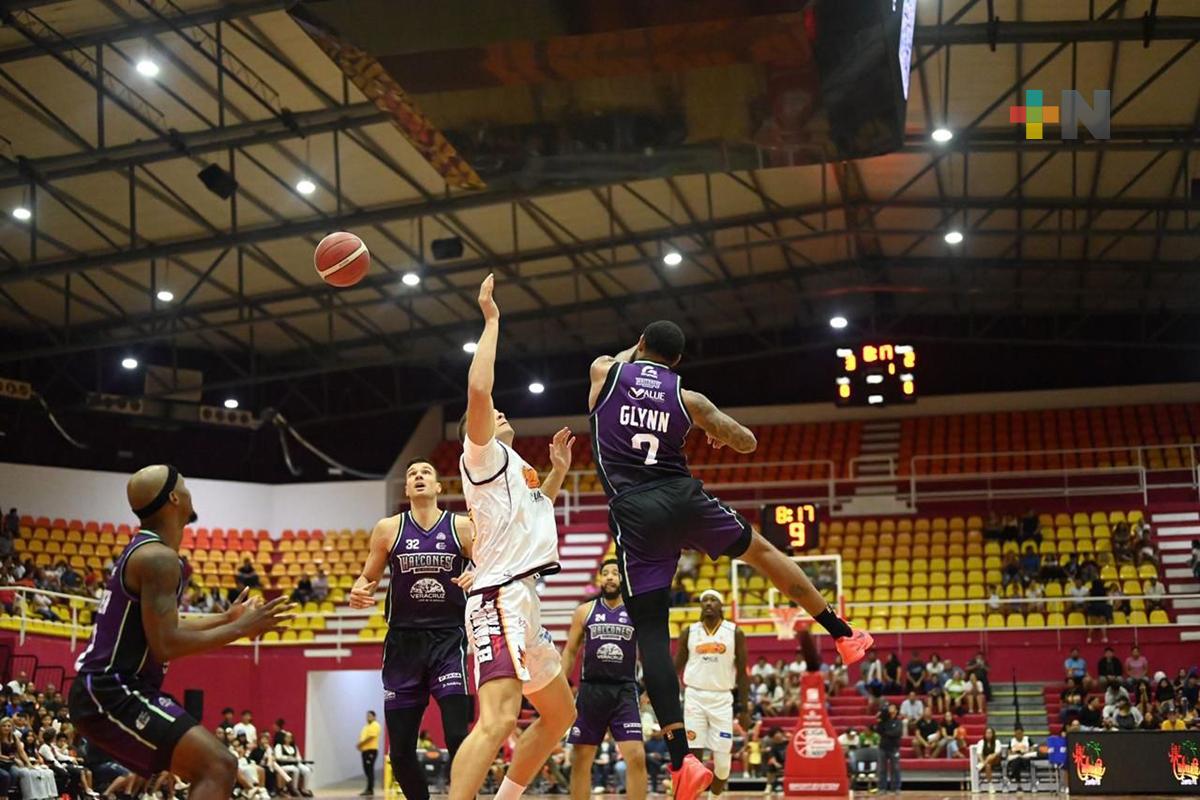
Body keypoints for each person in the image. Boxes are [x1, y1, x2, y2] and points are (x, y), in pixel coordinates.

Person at [587, 324, 870, 796]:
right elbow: (747, 442)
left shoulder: (605, 372)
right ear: (675, 363)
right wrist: (713, 430)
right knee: (764, 553)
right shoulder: (688, 398)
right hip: (682, 496)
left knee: (653, 635)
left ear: (638, 345)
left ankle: (682, 763)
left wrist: (631, 354)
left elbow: (618, 363)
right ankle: (842, 635)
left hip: (635, 511)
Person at [68, 464, 291, 798]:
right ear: (174, 497)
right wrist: (242, 629)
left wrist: (227, 618)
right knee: (219, 765)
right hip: (110, 689)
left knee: (209, 766)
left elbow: (166, 626)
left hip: (114, 688)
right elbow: (166, 644)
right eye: (185, 484)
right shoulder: (158, 558)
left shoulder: (148, 551)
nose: (189, 490)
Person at [449, 274, 577, 800]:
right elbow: (480, 389)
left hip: (523, 600)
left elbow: (533, 510)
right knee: (498, 719)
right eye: (489, 417)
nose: (500, 414)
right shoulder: (480, 456)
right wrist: (492, 319)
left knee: (559, 715)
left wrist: (558, 471)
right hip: (498, 598)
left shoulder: (515, 468)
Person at [349, 457, 475, 800]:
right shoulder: (388, 528)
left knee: (457, 737)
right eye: (412, 474)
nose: (418, 477)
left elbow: (490, 565)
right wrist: (359, 588)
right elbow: (368, 576)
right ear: (406, 488)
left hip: (448, 640)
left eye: (426, 473)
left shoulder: (462, 526)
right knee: (401, 751)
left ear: (438, 487)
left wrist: (476, 572)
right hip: (403, 644)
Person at [561, 560, 646, 800]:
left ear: (624, 579)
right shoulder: (584, 611)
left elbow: (650, 653)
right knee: (580, 757)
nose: (610, 578)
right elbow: (569, 652)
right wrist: (559, 685)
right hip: (591, 691)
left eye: (615, 574)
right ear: (600, 579)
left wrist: (651, 689)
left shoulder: (636, 611)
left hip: (625, 690)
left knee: (636, 756)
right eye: (605, 574)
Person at [675, 590, 748, 797]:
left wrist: (744, 708)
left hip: (723, 698)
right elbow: (675, 668)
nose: (708, 603)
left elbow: (742, 673)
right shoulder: (689, 632)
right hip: (694, 697)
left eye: (713, 600)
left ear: (721, 605)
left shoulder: (734, 632)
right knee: (694, 756)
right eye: (704, 600)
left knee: (723, 763)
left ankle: (715, 795)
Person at [1, 717, 56, 800]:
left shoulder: (14, 737)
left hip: (10, 763)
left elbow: (21, 752)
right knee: (6, 776)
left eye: (9, 726)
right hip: (2, 763)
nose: (7, 728)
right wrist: (14, 759)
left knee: (26, 772)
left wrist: (28, 764)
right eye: (4, 726)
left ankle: (32, 796)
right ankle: (4, 795)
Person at [273, 731, 311, 796]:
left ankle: (304, 789)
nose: (289, 738)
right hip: (284, 765)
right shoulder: (279, 746)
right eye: (287, 737)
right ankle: (294, 788)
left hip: (295, 763)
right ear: (283, 738)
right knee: (295, 770)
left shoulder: (294, 747)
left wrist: (296, 759)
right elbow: (278, 757)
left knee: (307, 770)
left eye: (290, 737)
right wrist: (288, 758)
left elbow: (299, 757)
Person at [875, 704, 903, 793]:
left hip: (894, 747)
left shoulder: (898, 722)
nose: (890, 709)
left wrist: (886, 733)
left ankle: (896, 788)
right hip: (883, 747)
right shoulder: (883, 721)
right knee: (882, 769)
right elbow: (878, 730)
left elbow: (896, 733)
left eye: (892, 707)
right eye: (889, 707)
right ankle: (882, 788)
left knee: (895, 768)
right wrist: (879, 720)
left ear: (896, 710)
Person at [356, 711, 381, 795]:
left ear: (374, 717)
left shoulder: (375, 725)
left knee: (369, 769)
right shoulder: (366, 727)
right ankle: (369, 788)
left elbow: (371, 737)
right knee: (366, 769)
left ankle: (370, 789)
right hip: (365, 751)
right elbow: (362, 737)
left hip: (371, 750)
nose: (368, 717)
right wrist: (361, 746)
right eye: (367, 716)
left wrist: (360, 744)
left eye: (370, 716)